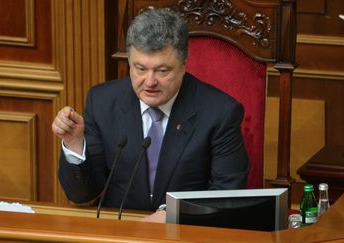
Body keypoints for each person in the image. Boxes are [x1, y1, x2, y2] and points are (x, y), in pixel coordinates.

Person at [52, 8, 249, 217]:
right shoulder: (102, 102)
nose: (150, 82)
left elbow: (228, 193)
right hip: (120, 230)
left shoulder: (220, 112)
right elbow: (82, 195)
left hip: (186, 233)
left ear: (184, 65)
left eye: (162, 71)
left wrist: (174, 214)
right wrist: (74, 145)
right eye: (140, 69)